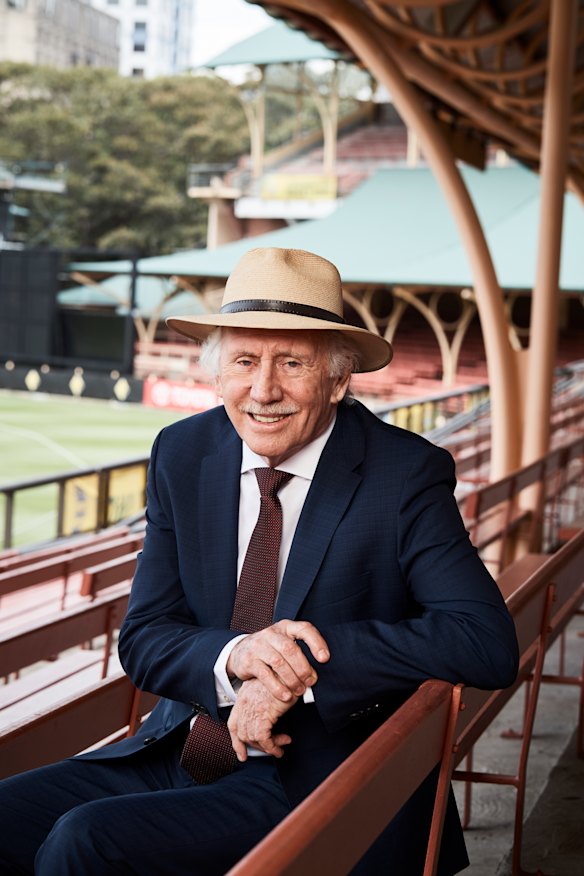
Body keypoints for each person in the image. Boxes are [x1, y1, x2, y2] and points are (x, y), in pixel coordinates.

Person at [0, 247, 518, 875]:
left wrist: (297, 666)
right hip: (185, 745)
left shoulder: (404, 474)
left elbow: (484, 641)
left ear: (338, 378)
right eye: (244, 361)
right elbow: (143, 638)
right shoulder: (183, 452)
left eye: (291, 362)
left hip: (314, 775)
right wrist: (237, 658)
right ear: (218, 375)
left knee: (85, 841)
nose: (264, 389)